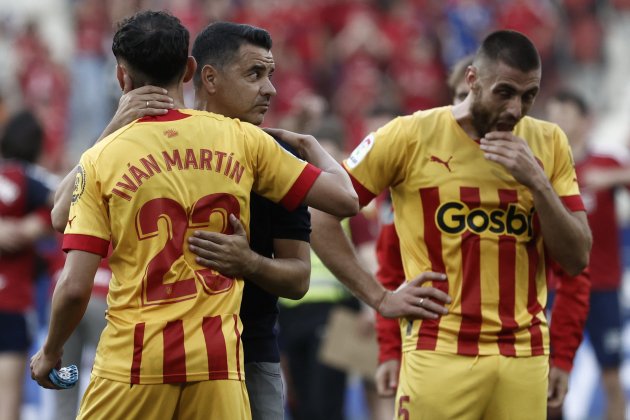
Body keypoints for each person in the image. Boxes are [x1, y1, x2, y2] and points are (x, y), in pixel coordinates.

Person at [30, 10, 358, 420]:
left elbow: (72, 275)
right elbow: (345, 199)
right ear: (192, 71)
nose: (270, 90)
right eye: (255, 74)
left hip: (134, 362)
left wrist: (50, 351)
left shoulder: (103, 158)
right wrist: (309, 144)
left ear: (121, 78)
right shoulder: (247, 142)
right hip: (220, 364)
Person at [311, 30, 592, 419]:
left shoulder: (549, 142)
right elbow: (320, 216)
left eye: (529, 96)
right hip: (437, 350)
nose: (516, 109)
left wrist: (538, 183)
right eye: (505, 92)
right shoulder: (408, 136)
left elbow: (577, 259)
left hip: (524, 357)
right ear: (473, 81)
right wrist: (380, 299)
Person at [546, 90, 626, 420]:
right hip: (555, 288)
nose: (559, 120)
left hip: (602, 286)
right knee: (549, 379)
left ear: (586, 120)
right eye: (554, 113)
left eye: (566, 112)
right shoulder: (542, 168)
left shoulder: (605, 162)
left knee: (611, 377)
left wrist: (615, 177)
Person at [0, 110, 54, 420]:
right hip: (13, 305)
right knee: (8, 406)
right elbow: (68, 199)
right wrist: (35, 225)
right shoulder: (30, 180)